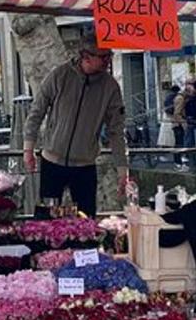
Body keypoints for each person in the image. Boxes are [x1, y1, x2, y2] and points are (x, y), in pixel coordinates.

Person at [23, 33, 127, 217]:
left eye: (109, 55)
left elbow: (116, 131)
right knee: (45, 220)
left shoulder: (110, 87)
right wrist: (28, 149)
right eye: (103, 56)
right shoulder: (59, 75)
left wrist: (122, 170)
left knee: (86, 220)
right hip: (52, 160)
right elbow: (36, 112)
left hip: (85, 164)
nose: (108, 61)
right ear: (85, 56)